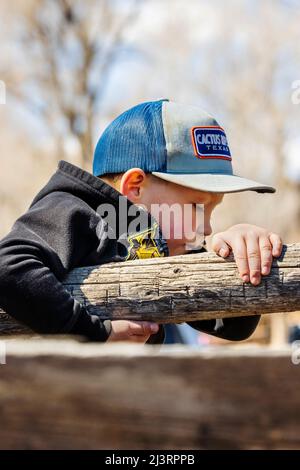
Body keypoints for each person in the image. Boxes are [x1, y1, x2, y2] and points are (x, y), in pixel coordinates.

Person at [0, 99, 282, 344]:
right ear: (135, 186)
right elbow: (9, 268)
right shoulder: (72, 211)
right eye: (196, 206)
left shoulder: (159, 241)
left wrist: (240, 252)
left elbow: (231, 326)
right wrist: (95, 334)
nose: (206, 227)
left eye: (212, 210)